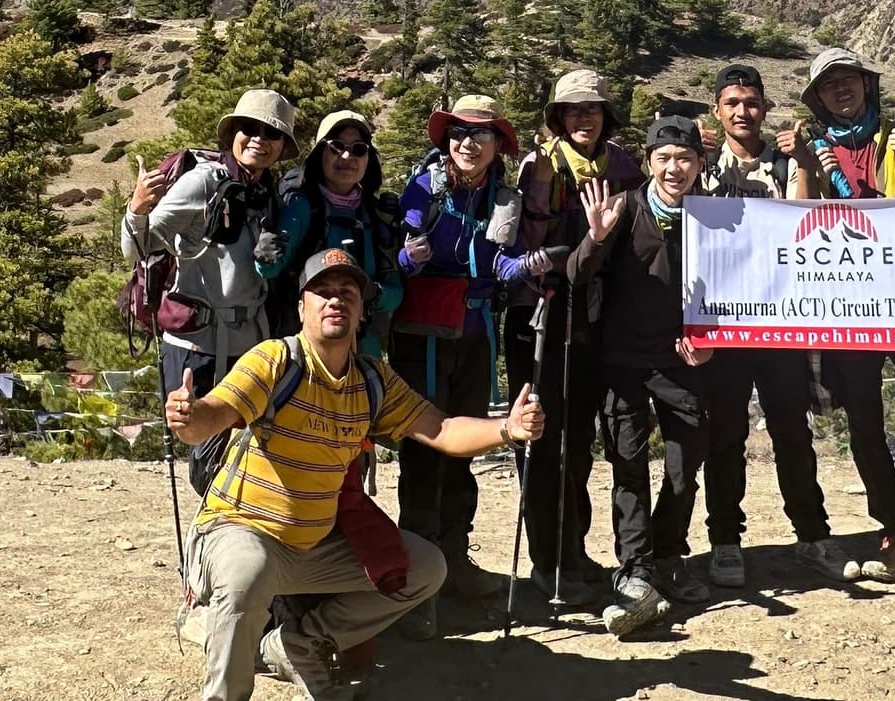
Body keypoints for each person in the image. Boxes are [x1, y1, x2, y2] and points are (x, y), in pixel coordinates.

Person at [167, 246, 545, 701]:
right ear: (301, 306)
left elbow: (441, 429)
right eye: (322, 292)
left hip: (314, 545)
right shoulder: (275, 361)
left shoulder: (372, 380)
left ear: (362, 309)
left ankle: (298, 645)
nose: (335, 300)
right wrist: (190, 418)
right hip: (239, 530)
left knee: (425, 569)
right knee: (248, 570)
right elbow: (216, 413)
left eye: (347, 292)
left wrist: (507, 428)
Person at [489, 68, 644, 603]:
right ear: (557, 117)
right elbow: (513, 250)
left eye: (593, 109)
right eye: (574, 109)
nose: (584, 117)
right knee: (540, 439)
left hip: (593, 317)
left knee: (577, 441)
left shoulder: (621, 167)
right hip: (540, 317)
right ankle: (546, 559)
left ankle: (572, 552)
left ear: (606, 116)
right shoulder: (540, 166)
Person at [695, 63, 847, 588]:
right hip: (724, 323)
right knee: (725, 434)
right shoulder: (704, 164)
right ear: (717, 109)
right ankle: (725, 540)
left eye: (752, 102)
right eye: (732, 102)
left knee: (792, 432)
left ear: (764, 107)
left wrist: (802, 159)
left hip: (782, 322)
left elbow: (804, 220)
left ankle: (812, 533)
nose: (743, 111)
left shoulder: (784, 163)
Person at [569, 114, 714, 637]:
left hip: (684, 363)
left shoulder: (714, 217)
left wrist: (710, 343)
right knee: (628, 466)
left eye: (685, 159)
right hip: (624, 363)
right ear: (649, 162)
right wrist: (595, 237)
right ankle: (635, 569)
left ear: (700, 163)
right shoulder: (624, 209)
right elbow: (576, 275)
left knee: (683, 466)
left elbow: (739, 289)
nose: (674, 168)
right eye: (663, 159)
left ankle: (669, 554)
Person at [794, 46, 895, 582]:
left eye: (850, 80)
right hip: (849, 308)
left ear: (867, 86)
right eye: (830, 86)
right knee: (866, 425)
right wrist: (813, 174)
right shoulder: (814, 151)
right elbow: (800, 225)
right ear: (818, 99)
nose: (843, 90)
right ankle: (894, 530)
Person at [392, 95, 528, 607]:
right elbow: (395, 257)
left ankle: (453, 560)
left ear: (498, 144)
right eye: (458, 134)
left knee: (465, 448)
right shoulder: (424, 189)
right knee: (425, 448)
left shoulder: (502, 198)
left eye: (480, 134)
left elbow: (500, 260)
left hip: (473, 332)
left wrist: (516, 270)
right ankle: (419, 574)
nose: (467, 143)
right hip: (422, 336)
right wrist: (406, 259)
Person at [126, 88, 295, 486]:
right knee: (207, 449)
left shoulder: (267, 191)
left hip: (250, 343)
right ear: (232, 134)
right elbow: (141, 246)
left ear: (282, 145)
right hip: (197, 348)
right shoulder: (203, 182)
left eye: (270, 133)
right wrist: (136, 210)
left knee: (247, 450)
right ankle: (216, 534)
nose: (258, 139)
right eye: (248, 128)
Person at [257, 110, 403, 352]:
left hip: (361, 350)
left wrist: (372, 293)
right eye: (336, 146)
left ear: (368, 159)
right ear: (319, 154)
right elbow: (269, 269)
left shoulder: (377, 215)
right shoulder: (299, 207)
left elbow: (395, 292)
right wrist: (267, 249)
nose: (347, 156)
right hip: (303, 349)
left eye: (358, 149)